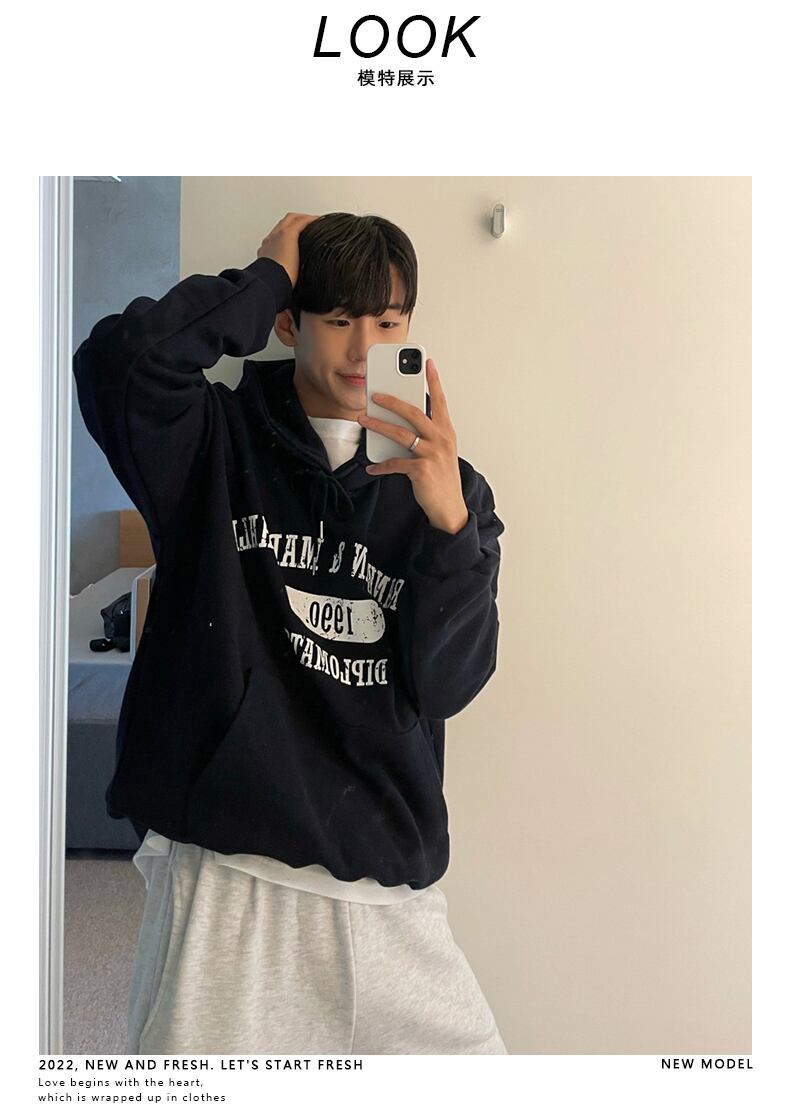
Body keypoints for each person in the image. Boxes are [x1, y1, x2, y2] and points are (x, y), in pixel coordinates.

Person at [72, 210, 507, 1055]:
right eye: (338, 318)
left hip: (388, 892)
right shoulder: (212, 440)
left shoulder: (452, 492)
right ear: (287, 322)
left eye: (388, 323)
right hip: (228, 876)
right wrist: (265, 276)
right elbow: (121, 365)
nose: (363, 347)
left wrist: (451, 528)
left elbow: (450, 684)